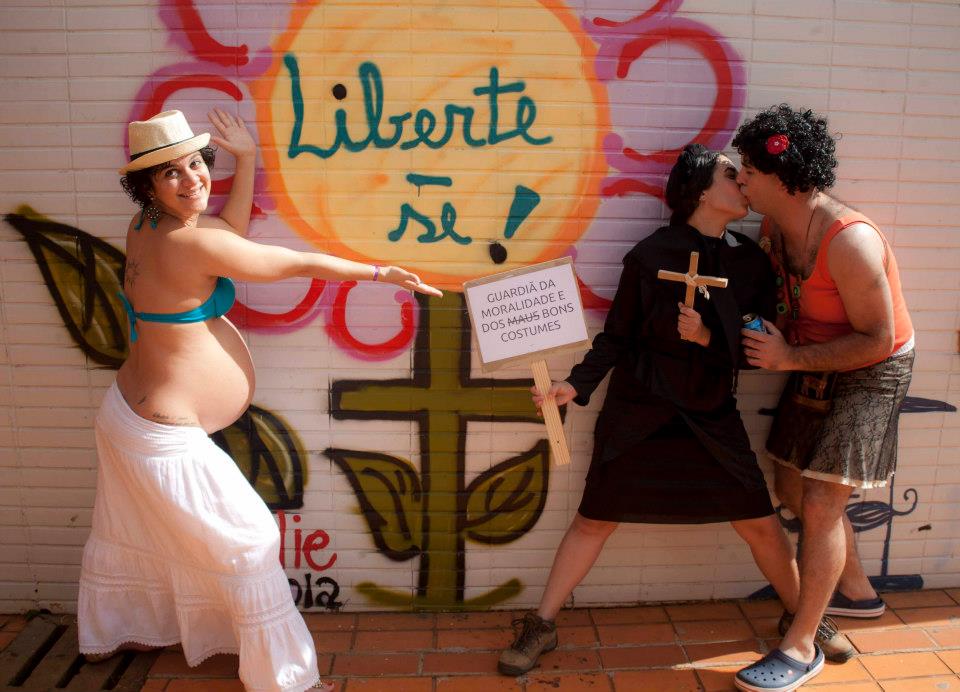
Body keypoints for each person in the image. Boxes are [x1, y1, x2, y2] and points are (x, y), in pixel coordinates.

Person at [77, 109, 441, 692]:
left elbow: (227, 236)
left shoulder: (149, 225)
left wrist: (244, 160)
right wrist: (378, 273)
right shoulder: (190, 241)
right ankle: (286, 679)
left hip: (130, 417)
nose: (192, 179)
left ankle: (119, 629)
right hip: (157, 435)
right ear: (148, 187)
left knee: (143, 532)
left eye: (196, 164)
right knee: (250, 542)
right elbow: (288, 262)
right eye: (171, 173)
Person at [497, 144, 823, 680]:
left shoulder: (748, 262)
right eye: (730, 174)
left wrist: (708, 336)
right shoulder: (651, 255)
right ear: (700, 191)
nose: (742, 181)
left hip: (710, 411)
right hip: (640, 408)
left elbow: (762, 346)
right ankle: (542, 623)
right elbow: (618, 335)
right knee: (594, 519)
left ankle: (802, 620)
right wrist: (574, 386)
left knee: (759, 522)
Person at [732, 104, 914, 691]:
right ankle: (856, 593)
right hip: (812, 355)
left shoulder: (850, 241)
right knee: (789, 482)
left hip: (872, 366)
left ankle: (801, 645)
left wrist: (787, 358)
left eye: (748, 170)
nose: (739, 179)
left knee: (820, 501)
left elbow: (878, 339)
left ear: (782, 178)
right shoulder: (773, 228)